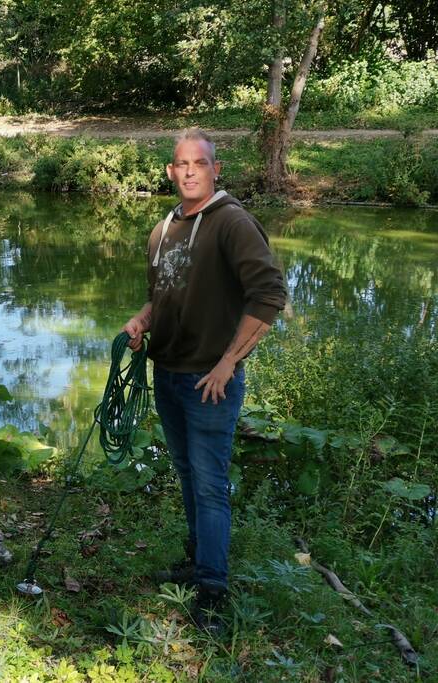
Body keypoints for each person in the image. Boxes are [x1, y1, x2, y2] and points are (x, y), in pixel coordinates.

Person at [122, 128, 286, 633]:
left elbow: (269, 295)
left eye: (199, 162)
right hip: (168, 374)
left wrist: (228, 362)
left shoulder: (232, 223)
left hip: (209, 383)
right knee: (189, 475)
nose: (189, 170)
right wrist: (142, 322)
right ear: (171, 172)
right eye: (181, 163)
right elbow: (165, 293)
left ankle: (213, 590)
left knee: (211, 484)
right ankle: (195, 563)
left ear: (216, 170)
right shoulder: (164, 226)